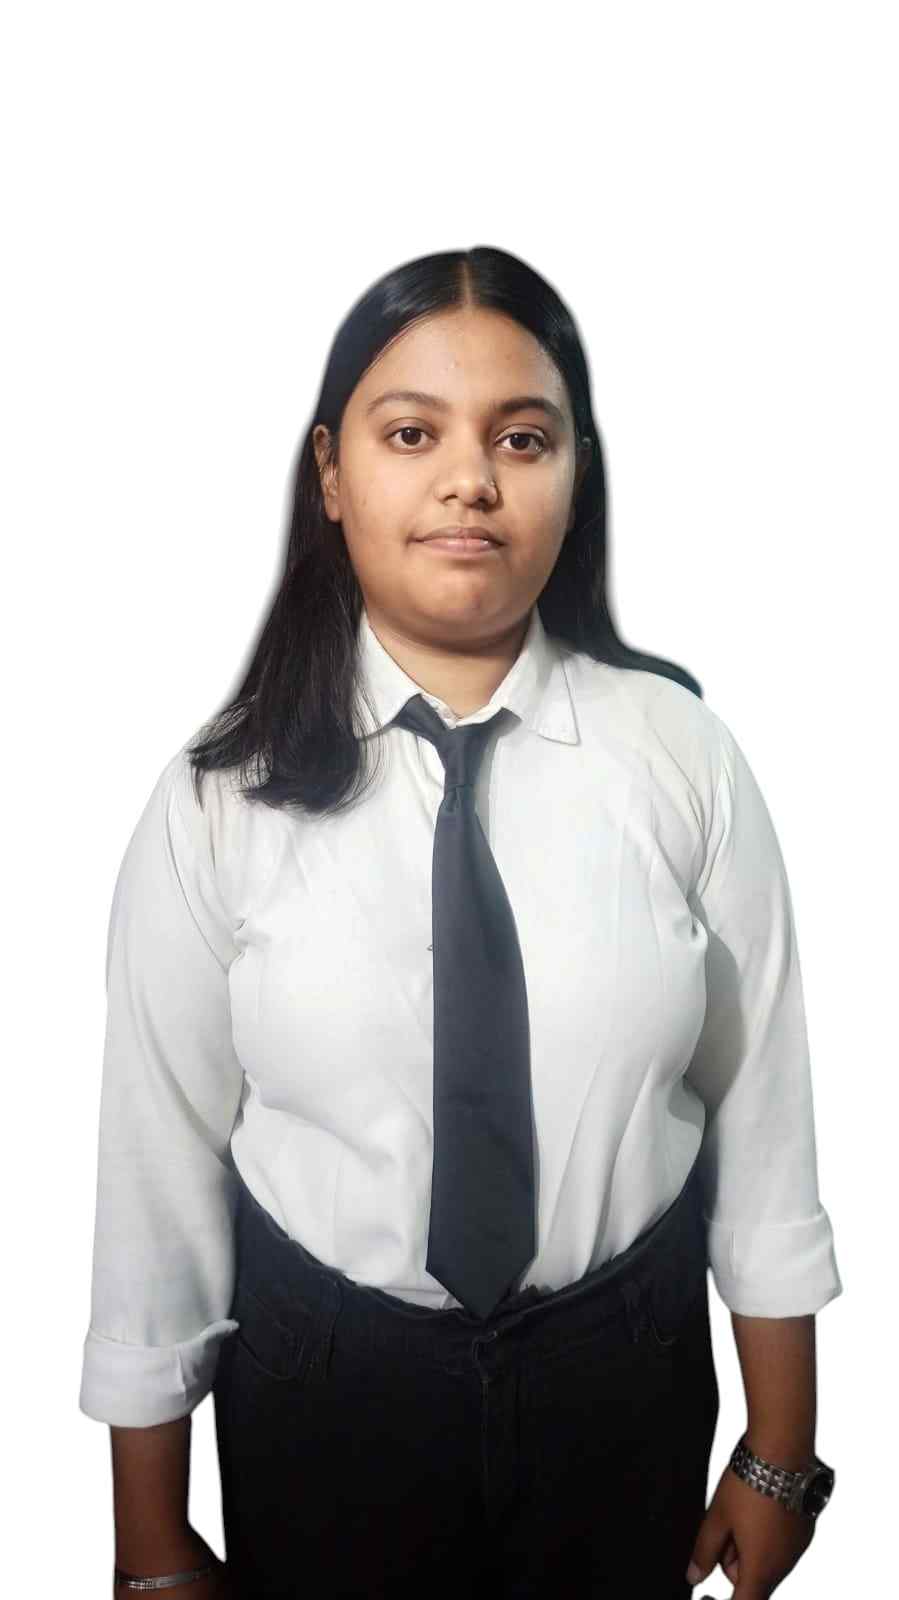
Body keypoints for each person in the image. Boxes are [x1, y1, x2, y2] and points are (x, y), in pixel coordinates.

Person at [79, 245, 842, 1600]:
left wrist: (780, 1450)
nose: (470, 479)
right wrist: (149, 1542)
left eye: (522, 438)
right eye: (412, 433)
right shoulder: (218, 797)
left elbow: (763, 1119)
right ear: (331, 472)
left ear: (576, 473)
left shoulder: (684, 757)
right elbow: (161, 1168)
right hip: (324, 1400)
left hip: (626, 1384)